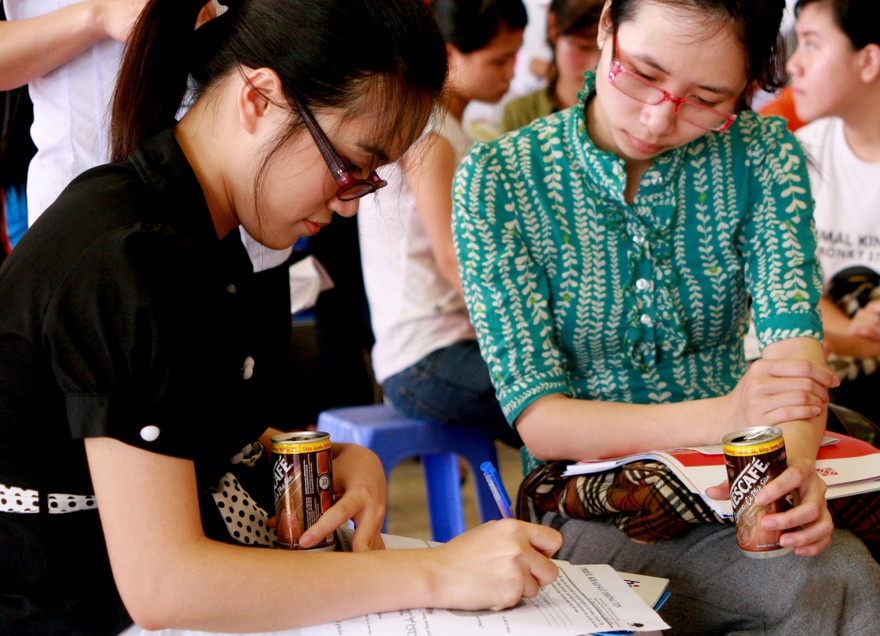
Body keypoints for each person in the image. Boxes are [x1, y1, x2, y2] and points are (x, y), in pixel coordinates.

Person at [0, 1, 564, 633]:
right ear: (259, 99)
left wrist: (323, 459)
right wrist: (441, 571)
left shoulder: (201, 230)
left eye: (369, 179)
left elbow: (194, 436)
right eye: (350, 164)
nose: (349, 205)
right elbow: (164, 584)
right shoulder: (127, 254)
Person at [451, 0, 880, 631]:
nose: (657, 120)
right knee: (825, 576)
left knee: (821, 558)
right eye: (643, 74)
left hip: (739, 476)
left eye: (708, 98)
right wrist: (730, 415)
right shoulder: (501, 180)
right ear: (605, 28)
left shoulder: (761, 154)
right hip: (591, 505)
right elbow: (541, 419)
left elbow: (795, 348)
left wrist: (792, 480)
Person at [357, 0, 527, 448]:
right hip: (425, 358)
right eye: (499, 60)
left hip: (451, 348)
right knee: (562, 401)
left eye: (515, 56)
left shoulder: (448, 129)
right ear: (449, 56)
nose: (511, 73)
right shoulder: (429, 134)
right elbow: (454, 259)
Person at [786, 0, 880, 426]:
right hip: (844, 365)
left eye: (811, 45)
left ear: (869, 60)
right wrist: (856, 337)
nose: (793, 66)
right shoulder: (801, 155)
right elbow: (794, 288)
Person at [500, 0, 603, 133]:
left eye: (605, 51)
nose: (594, 66)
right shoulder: (521, 114)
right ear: (552, 27)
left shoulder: (620, 117)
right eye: (582, 48)